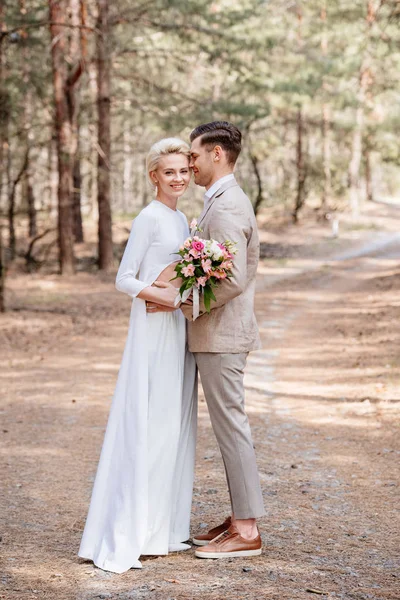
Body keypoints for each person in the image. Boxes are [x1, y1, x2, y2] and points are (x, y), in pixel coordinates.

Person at [78, 138, 198, 573]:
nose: (179, 178)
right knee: (150, 420)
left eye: (184, 170)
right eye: (170, 172)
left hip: (176, 327)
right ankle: (136, 527)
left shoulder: (182, 218)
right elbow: (124, 279)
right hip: (152, 330)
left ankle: (160, 529)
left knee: (170, 423)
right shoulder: (149, 218)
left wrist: (180, 297)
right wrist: (160, 298)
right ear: (154, 177)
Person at [184, 121, 265, 558]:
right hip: (216, 335)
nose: (189, 163)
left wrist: (186, 303)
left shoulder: (229, 205)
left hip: (222, 335)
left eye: (194, 155)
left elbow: (230, 278)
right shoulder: (219, 199)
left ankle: (248, 530)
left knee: (232, 428)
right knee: (227, 427)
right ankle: (238, 519)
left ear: (217, 154)